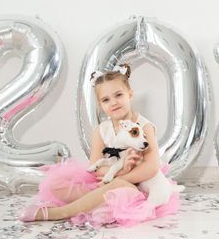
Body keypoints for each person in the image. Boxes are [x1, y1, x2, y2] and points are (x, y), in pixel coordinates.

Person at [18, 63, 181, 226]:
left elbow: (151, 167)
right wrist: (118, 170)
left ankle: (60, 212)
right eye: (106, 100)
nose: (114, 102)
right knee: (55, 185)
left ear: (130, 94)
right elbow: (95, 167)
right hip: (108, 182)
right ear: (101, 105)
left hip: (138, 189)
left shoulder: (144, 127)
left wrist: (122, 176)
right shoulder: (101, 130)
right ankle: (92, 201)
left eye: (118, 95)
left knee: (117, 188)